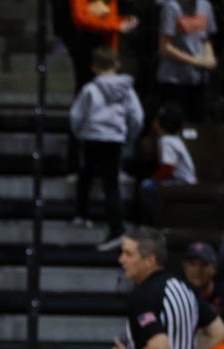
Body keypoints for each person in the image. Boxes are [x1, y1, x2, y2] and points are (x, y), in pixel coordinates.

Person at [69, 47, 143, 243]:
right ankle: (116, 226)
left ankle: (81, 214)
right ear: (117, 64)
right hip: (114, 139)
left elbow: (76, 115)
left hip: (92, 137)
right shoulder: (126, 90)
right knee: (111, 184)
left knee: (86, 175)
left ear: (94, 67)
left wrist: (79, 133)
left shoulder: (90, 89)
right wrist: (128, 135)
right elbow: (137, 116)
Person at [155, 0, 217, 122]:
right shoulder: (171, 7)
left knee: (198, 125)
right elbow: (165, 47)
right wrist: (195, 61)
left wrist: (210, 56)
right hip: (174, 80)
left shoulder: (206, 6)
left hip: (198, 79)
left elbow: (205, 39)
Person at [180, 241, 224, 342]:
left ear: (214, 268)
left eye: (204, 264)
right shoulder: (176, 294)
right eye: (192, 264)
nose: (198, 269)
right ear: (184, 267)